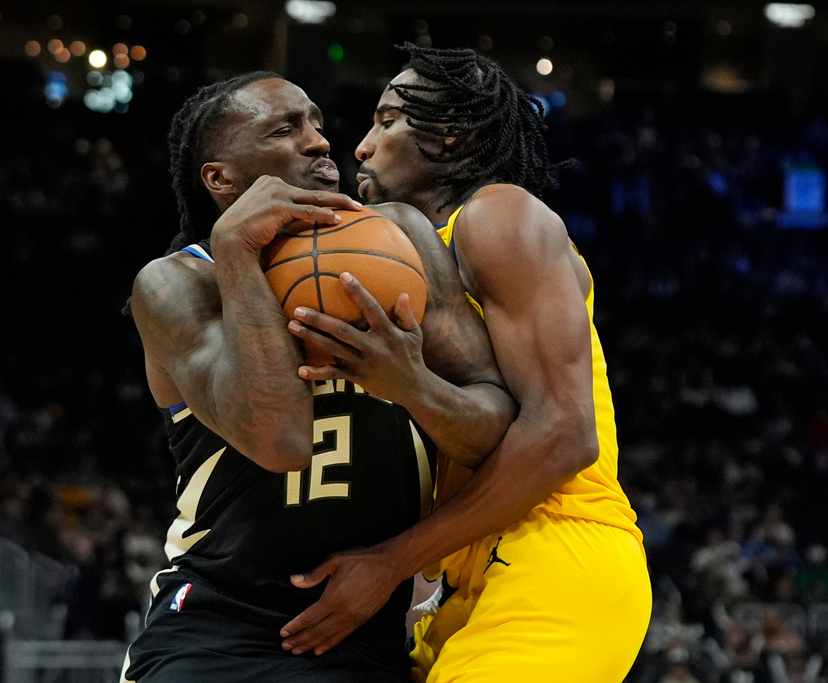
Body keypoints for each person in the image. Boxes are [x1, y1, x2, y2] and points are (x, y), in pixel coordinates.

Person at [120, 70, 515, 682]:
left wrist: (412, 384)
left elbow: (493, 431)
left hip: (364, 628)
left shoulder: (404, 235)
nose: (319, 142)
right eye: (285, 129)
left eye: (316, 124)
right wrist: (237, 254)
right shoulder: (178, 284)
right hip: (216, 625)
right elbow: (281, 440)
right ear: (221, 179)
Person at [279, 43, 652, 682]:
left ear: (453, 137)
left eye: (387, 120)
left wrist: (391, 562)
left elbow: (566, 435)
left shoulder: (496, 214)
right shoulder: (405, 257)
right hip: (463, 574)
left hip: (556, 548)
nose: (362, 147)